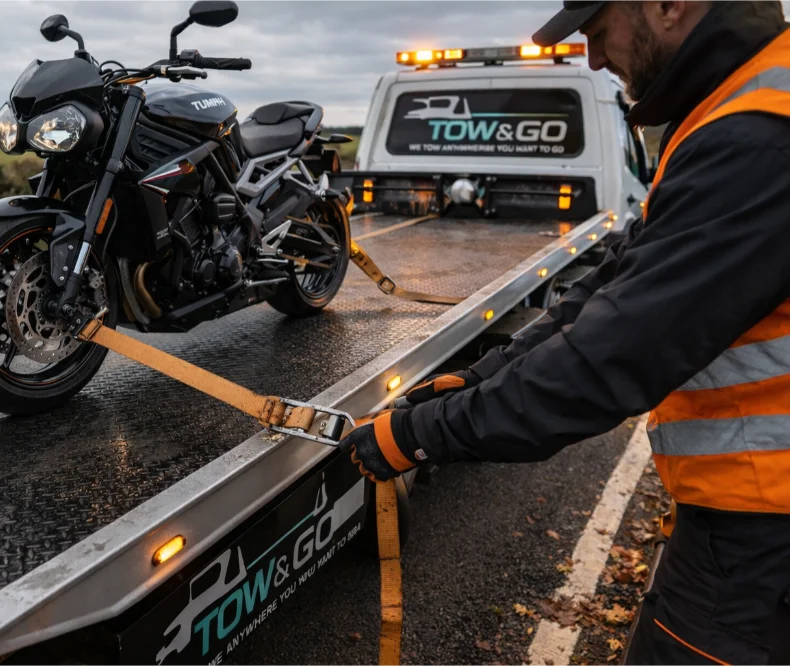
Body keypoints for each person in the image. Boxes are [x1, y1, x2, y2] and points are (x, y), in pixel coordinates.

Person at [338, 0, 790, 663]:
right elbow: (618, 277)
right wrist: (488, 372)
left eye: (598, 31)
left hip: (764, 534)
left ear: (668, 5)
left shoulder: (757, 136)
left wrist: (414, 435)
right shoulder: (738, 108)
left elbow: (611, 358)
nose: (595, 57)